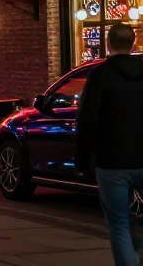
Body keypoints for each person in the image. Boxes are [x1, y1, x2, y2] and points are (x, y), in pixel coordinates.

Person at [75, 22, 143, 266]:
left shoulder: (100, 75)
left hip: (112, 160)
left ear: (108, 43)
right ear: (133, 43)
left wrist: (82, 158)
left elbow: (87, 119)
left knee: (119, 223)